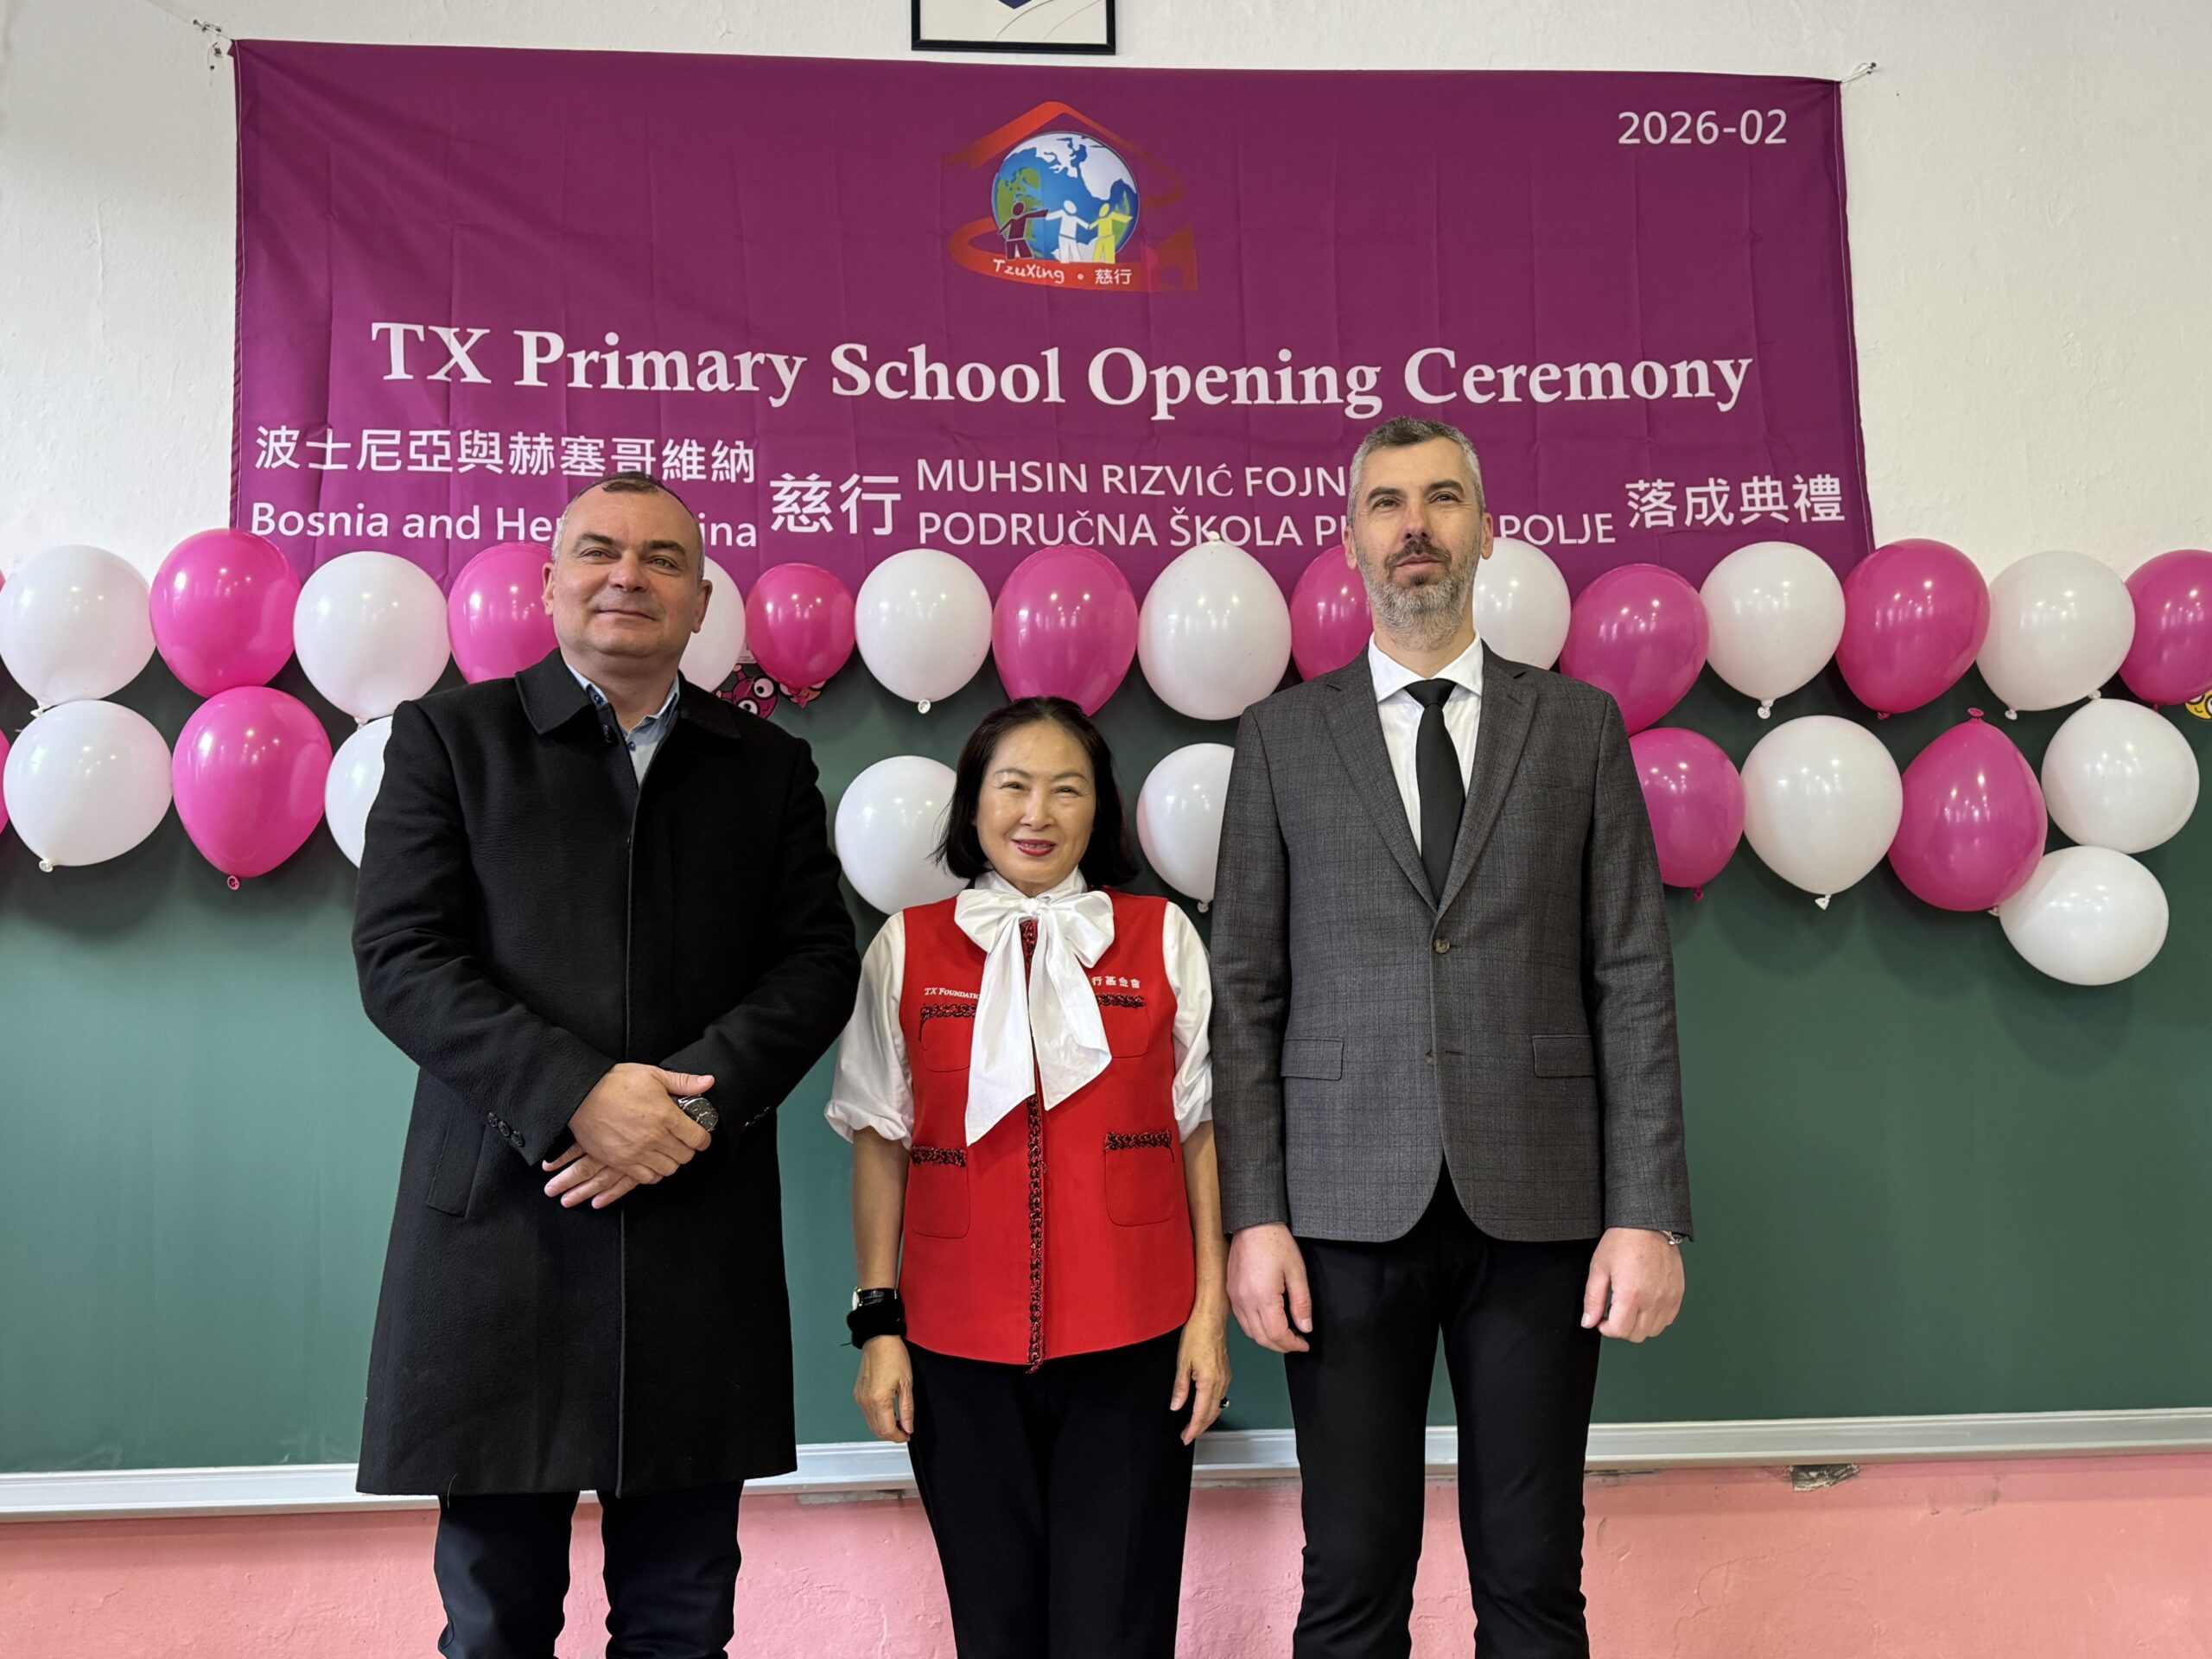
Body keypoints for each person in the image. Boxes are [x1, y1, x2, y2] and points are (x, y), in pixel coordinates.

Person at [352, 471, 860, 1659]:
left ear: (701, 603)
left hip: (695, 1226)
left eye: (663, 559)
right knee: (497, 1622)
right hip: (501, 1233)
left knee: (683, 1622)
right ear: (549, 584)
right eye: (598, 551)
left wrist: (684, 1113)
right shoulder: (449, 739)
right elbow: (402, 957)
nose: (628, 575)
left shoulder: (767, 766)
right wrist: (578, 1096)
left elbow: (814, 966)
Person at [1211, 417, 1694, 1659]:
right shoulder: (1281, 736)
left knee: (1532, 1581)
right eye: (1386, 504)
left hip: (1540, 1209)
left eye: (1440, 499)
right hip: (1336, 1214)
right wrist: (1252, 1216)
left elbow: (1631, 974)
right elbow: (1245, 988)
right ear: (1350, 541)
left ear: (1486, 530)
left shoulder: (1578, 726)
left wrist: (1646, 1214)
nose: (1413, 526)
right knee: (1351, 1580)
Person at [826, 696, 1229, 1659]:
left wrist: (1208, 1317)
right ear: (973, 805)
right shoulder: (906, 946)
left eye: (1067, 789)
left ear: (1100, 810)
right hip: (954, 1350)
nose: (1036, 814)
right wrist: (878, 1328)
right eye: (1012, 786)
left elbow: (1202, 1134)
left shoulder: (1162, 937)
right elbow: (879, 1141)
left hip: (1134, 1344)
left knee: (1118, 1632)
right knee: (994, 1629)